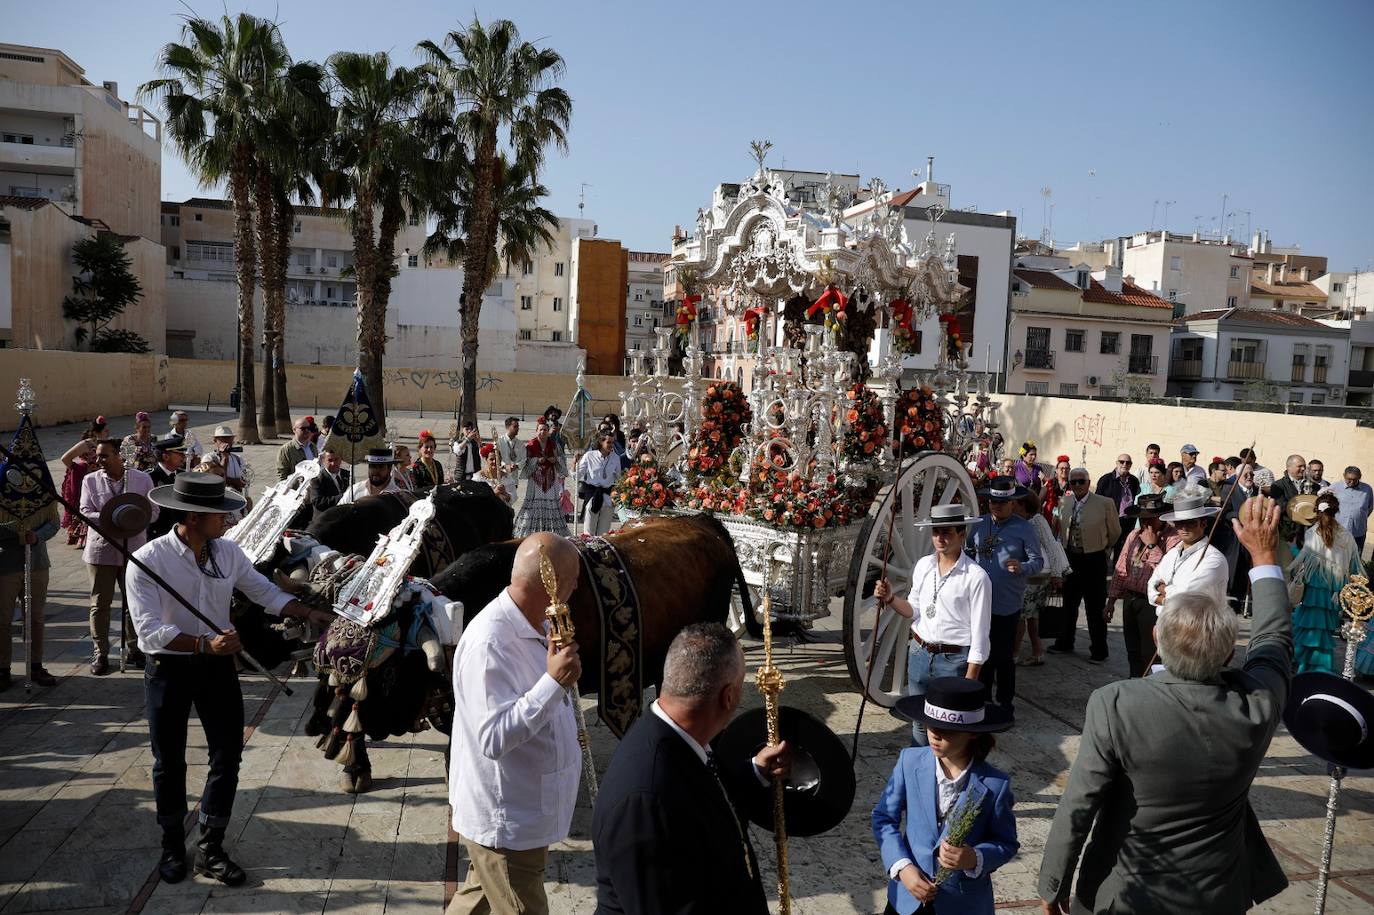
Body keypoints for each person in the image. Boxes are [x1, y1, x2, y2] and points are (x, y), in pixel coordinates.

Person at [1037, 496, 1291, 914]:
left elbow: (1080, 802)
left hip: (1127, 894)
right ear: (1229, 654)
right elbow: (1273, 642)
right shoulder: (1256, 706)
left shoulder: (1116, 704)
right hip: (1218, 895)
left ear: (1157, 640)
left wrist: (1054, 883)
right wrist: (1264, 557)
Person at [128, 472, 327, 886]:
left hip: (217, 669)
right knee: (169, 762)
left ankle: (210, 847)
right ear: (195, 516)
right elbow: (148, 633)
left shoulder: (227, 553)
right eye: (220, 515)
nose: (228, 521)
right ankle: (171, 844)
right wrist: (204, 645)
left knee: (226, 756)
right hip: (169, 669)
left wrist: (308, 613)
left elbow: (264, 593)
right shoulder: (148, 561)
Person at [591, 623, 790, 914]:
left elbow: (700, 796)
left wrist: (755, 771)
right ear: (728, 697)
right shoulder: (644, 802)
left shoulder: (683, 740)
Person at [449, 534, 584, 915]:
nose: (576, 587)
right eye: (573, 578)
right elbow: (493, 737)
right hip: (506, 820)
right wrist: (553, 683)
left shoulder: (535, 623)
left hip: (522, 813)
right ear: (552, 583)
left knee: (475, 899)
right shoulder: (490, 643)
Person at [874, 677, 1018, 915]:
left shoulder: (995, 784)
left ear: (972, 733)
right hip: (906, 898)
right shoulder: (909, 762)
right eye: (930, 725)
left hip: (962, 905)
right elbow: (883, 818)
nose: (935, 735)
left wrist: (975, 857)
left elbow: (1007, 843)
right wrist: (902, 867)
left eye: (948, 730)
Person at [875, 503, 989, 744]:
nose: (940, 538)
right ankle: (920, 770)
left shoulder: (976, 577)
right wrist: (890, 598)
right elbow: (914, 610)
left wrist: (969, 682)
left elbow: (980, 638)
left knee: (947, 729)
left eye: (947, 532)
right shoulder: (924, 566)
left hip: (953, 661)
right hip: (919, 654)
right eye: (936, 532)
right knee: (919, 721)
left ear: (962, 534)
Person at [81, 439, 158, 675]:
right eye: (97, 456)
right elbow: (84, 512)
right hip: (101, 550)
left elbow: (153, 512)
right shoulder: (90, 480)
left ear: (118, 455)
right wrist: (113, 517)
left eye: (104, 456)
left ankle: (135, 649)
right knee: (100, 604)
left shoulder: (141, 479)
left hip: (132, 548)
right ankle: (100, 652)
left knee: (133, 601)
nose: (99, 461)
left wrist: (133, 517)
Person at [967, 477, 1043, 715]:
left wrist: (1021, 567)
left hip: (1006, 603)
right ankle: (982, 700)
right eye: (991, 502)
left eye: (1001, 502)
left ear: (1013, 503)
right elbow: (968, 552)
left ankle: (1005, 703)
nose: (996, 506)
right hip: (979, 603)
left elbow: (1037, 562)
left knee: (1002, 656)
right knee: (981, 652)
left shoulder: (1024, 528)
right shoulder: (979, 524)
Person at [1050, 468, 1120, 663]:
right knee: (1069, 603)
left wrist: (1103, 548)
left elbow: (1115, 532)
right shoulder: (1065, 501)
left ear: (1089, 483)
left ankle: (1099, 649)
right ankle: (1065, 640)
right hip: (1070, 558)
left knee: (1095, 606)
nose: (1078, 485)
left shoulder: (1104, 503)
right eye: (1074, 482)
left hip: (1094, 559)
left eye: (1082, 481)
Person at [1289, 493, 1362, 675]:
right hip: (1332, 590)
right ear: (1336, 510)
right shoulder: (1346, 536)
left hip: (1313, 586)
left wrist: (1291, 547)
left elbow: (1301, 559)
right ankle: (1321, 666)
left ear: (1316, 511)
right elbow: (1353, 566)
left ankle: (1304, 664)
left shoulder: (1312, 533)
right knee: (1323, 630)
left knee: (1308, 626)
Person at [1107, 494, 1176, 678]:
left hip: (1152, 602)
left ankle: (1151, 685)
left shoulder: (1172, 539)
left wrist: (1153, 546)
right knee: (1132, 649)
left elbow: (1168, 572)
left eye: (1150, 519)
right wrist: (1111, 601)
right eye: (1142, 519)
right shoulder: (1133, 535)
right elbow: (1121, 568)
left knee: (1150, 650)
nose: (1146, 524)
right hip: (1131, 597)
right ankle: (1134, 681)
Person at [0, 502, 61, 691]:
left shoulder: (40, 491)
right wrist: (16, 532)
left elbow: (53, 522)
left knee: (35, 618)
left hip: (36, 562)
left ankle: (35, 665)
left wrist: (36, 536)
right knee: (2, 620)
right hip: (5, 563)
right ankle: (2, 669)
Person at [1147, 484, 1229, 615]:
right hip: (1166, 623)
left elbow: (1185, 596)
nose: (1184, 528)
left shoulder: (1213, 559)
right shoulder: (1172, 553)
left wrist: (1162, 590)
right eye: (1179, 523)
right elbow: (1151, 585)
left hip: (1195, 629)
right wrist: (1165, 595)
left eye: (1191, 522)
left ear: (1203, 524)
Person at [1014, 491, 1068, 668]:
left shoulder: (1037, 521)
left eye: (1016, 502)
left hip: (1037, 577)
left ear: (1023, 505)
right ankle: (1037, 653)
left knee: (1023, 615)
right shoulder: (1024, 521)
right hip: (1032, 575)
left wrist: (1056, 575)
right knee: (1031, 616)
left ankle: (1014, 654)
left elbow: (1051, 546)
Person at [514, 418, 569, 537]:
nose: (543, 432)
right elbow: (526, 462)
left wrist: (556, 460)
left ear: (548, 431)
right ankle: (530, 532)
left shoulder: (554, 445)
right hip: (536, 479)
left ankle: (551, 532)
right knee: (534, 504)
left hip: (550, 477)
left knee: (551, 504)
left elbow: (562, 459)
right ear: (536, 431)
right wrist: (537, 460)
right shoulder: (531, 445)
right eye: (540, 429)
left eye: (545, 429)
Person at [59, 416, 108, 547]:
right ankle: (81, 537)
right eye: (105, 430)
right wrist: (81, 468)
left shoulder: (103, 444)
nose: (107, 433)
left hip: (100, 481)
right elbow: (65, 458)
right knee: (85, 507)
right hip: (85, 481)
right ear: (98, 431)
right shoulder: (86, 444)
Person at [576, 431, 623, 535]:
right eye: (609, 442)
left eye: (613, 442)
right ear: (601, 442)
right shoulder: (589, 456)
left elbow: (619, 479)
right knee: (589, 533)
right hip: (592, 497)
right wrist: (574, 465)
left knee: (604, 534)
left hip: (607, 498)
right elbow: (577, 475)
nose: (612, 445)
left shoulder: (615, 458)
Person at [1095, 453, 1139, 557]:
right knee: (1105, 549)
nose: (1125, 464)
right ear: (1116, 463)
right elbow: (1097, 500)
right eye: (1122, 462)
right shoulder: (1106, 480)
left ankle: (1118, 571)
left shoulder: (1134, 480)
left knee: (1122, 551)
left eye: (1128, 462)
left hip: (1127, 521)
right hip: (1110, 520)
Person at [147, 436, 188, 540]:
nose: (184, 457)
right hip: (158, 535)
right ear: (166, 456)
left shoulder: (184, 476)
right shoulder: (149, 477)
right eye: (180, 454)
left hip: (181, 533)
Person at [1333, 465, 1371, 556]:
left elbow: (1369, 508)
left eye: (1355, 479)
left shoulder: (1367, 489)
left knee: (1355, 559)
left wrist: (1358, 518)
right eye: (1349, 479)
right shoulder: (1335, 487)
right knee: (1336, 558)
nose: (1352, 482)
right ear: (1344, 476)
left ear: (1360, 477)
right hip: (1338, 532)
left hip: (1358, 532)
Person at [207, 427, 249, 507]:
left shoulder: (238, 459)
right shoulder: (209, 458)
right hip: (218, 501)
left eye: (229, 439)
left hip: (237, 499)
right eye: (223, 439)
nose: (227, 442)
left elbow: (244, 481)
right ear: (215, 441)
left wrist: (230, 481)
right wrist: (224, 458)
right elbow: (218, 482)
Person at [275, 416, 318, 481]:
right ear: (294, 430)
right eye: (303, 428)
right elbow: (281, 474)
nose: (306, 430)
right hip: (296, 489)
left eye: (308, 428)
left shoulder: (313, 447)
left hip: (312, 487)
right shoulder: (286, 449)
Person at [308, 446, 350, 512]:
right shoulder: (316, 479)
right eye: (330, 460)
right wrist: (345, 496)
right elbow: (318, 502)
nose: (333, 463)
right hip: (325, 519)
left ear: (341, 459)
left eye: (336, 459)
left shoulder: (348, 475)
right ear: (323, 461)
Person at [1041, 455, 1071, 537]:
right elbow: (1039, 501)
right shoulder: (1049, 484)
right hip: (1048, 522)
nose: (1064, 470)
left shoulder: (1073, 485)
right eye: (1062, 468)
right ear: (1057, 470)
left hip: (1066, 525)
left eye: (1067, 468)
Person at [495, 417, 523, 499]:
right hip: (501, 478)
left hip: (513, 479)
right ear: (508, 427)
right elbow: (496, 458)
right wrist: (504, 466)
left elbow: (524, 459)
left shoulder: (520, 444)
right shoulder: (499, 441)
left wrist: (516, 466)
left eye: (518, 426)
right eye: (515, 426)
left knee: (510, 501)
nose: (517, 428)